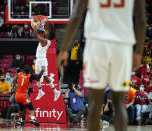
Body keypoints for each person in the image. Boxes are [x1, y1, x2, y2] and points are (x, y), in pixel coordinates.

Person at [57, 0, 146, 130]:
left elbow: (76, 16)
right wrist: (138, 51)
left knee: (94, 104)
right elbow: (141, 19)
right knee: (119, 105)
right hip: (122, 47)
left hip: (96, 46)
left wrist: (64, 48)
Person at [32, 18, 61, 101]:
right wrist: (46, 20)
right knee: (37, 77)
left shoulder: (44, 41)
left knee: (45, 76)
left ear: (48, 35)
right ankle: (40, 92)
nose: (45, 31)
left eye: (47, 32)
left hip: (42, 60)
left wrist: (34, 26)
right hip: (38, 60)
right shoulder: (46, 39)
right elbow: (47, 28)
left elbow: (36, 35)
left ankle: (56, 91)